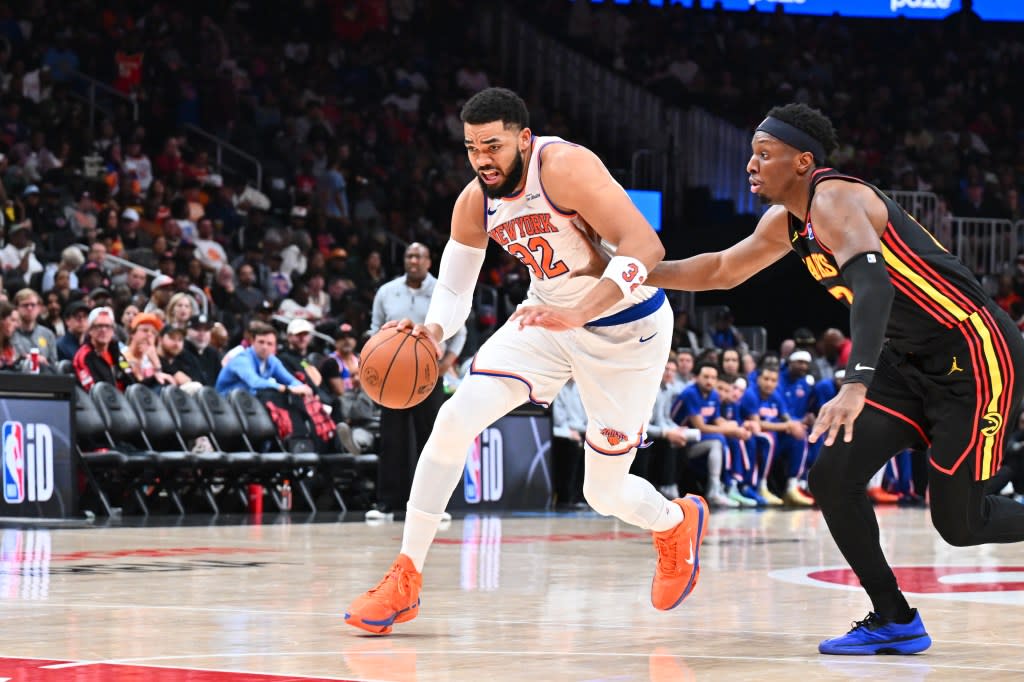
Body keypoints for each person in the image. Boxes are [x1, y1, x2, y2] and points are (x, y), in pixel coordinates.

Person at [608, 103, 1024, 654]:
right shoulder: (787, 220)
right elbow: (719, 270)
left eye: (765, 154)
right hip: (907, 359)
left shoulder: (837, 198)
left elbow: (875, 289)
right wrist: (630, 270)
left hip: (973, 352)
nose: (751, 164)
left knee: (961, 523)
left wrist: (854, 385)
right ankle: (894, 618)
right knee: (831, 478)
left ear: (803, 161)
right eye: (751, 154)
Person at [345, 87, 708, 635]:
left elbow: (645, 246)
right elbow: (456, 287)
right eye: (471, 147)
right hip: (545, 319)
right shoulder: (474, 202)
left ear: (523, 138)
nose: (482, 158)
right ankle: (406, 576)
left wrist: (583, 309)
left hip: (625, 327)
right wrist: (432, 330)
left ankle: (677, 520)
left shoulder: (564, 167)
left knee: (602, 492)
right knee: (452, 419)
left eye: (492, 145)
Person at [365, 242, 466, 522]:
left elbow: (460, 331)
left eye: (419, 256)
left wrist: (445, 365)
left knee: (431, 440)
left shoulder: (441, 293)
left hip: (427, 375)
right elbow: (374, 331)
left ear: (429, 261)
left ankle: (432, 505)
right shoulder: (386, 292)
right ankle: (387, 503)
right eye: (409, 255)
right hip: (392, 376)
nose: (414, 260)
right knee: (391, 440)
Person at [215, 321, 311, 397]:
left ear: (275, 347)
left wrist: (303, 388)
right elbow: (255, 382)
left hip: (248, 404)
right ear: (253, 342)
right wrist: (287, 389)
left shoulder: (272, 360)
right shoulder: (242, 359)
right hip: (226, 404)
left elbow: (290, 380)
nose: (265, 347)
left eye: (269, 344)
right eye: (261, 342)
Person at [11, 288, 58, 367]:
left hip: (44, 377)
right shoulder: (9, 334)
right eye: (25, 305)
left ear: (39, 308)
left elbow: (53, 365)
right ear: (16, 308)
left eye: (33, 305)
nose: (29, 308)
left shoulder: (48, 334)